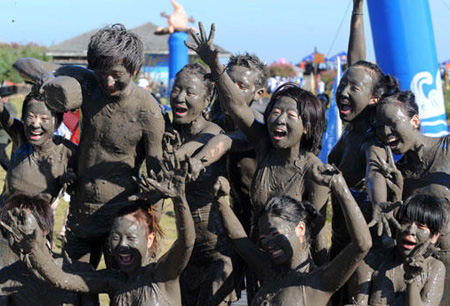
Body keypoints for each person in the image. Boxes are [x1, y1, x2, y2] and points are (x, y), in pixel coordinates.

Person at [13, 24, 165, 268]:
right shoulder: (89, 83)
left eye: (116, 74)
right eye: (101, 72)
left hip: (120, 214)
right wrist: (47, 80)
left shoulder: (148, 113)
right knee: (72, 286)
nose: (108, 81)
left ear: (134, 69)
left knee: (121, 289)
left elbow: (159, 177)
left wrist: (146, 226)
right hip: (81, 210)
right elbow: (23, 63)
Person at [185, 23, 330, 266]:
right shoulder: (264, 142)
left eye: (290, 116)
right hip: (258, 253)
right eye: (275, 112)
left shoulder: (312, 170)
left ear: (306, 126)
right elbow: (231, 121)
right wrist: (214, 64)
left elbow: (317, 233)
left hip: (295, 266)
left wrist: (323, 285)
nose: (279, 119)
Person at [0, 156, 195, 306]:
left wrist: (180, 199)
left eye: (130, 237)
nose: (122, 245)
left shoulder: (163, 274)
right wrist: (32, 248)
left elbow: (186, 243)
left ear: (149, 239)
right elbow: (59, 278)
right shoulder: (111, 279)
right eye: (115, 237)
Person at [212, 163, 372, 306]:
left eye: (275, 234)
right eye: (263, 238)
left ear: (300, 229)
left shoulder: (318, 282)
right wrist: (220, 200)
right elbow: (239, 240)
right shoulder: (269, 271)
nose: (268, 243)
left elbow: (362, 245)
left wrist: (340, 187)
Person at [165, 63, 244, 305]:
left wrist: (184, 157)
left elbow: (205, 145)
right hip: (185, 250)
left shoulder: (212, 131)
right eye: (177, 89)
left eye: (190, 93)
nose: (180, 98)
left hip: (217, 253)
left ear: (207, 100)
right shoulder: (169, 131)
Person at [375, 90, 450, 305]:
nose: (385, 132)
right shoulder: (397, 173)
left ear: (414, 120)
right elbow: (396, 230)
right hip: (419, 269)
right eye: (380, 126)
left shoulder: (446, 149)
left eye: (391, 123)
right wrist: (396, 195)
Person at [0, 193, 97, 305]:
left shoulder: (80, 272)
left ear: (44, 229)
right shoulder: (5, 278)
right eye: (11, 235)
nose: (19, 241)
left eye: (25, 233)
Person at [366, 194, 446, 305]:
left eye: (420, 226)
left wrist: (411, 280)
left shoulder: (435, 268)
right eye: (405, 222)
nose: (411, 230)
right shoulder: (373, 261)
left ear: (434, 236)